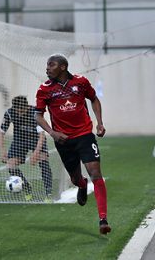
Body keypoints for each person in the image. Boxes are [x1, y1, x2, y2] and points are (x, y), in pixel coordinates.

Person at [35, 54, 111, 234]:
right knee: (76, 178)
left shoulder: (81, 82)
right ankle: (82, 185)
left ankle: (103, 220)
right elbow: (38, 115)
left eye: (51, 65)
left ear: (62, 67)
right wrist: (52, 133)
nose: (47, 68)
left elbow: (94, 99)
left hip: (85, 135)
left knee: (96, 173)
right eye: (47, 64)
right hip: (63, 140)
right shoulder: (44, 89)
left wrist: (99, 123)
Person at [0, 95, 53, 202]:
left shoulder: (35, 113)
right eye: (17, 111)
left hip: (35, 139)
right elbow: (1, 133)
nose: (19, 114)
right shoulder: (10, 113)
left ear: (27, 107)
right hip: (19, 140)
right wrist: (3, 151)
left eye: (21, 111)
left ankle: (48, 192)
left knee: (43, 160)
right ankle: (27, 187)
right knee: (11, 165)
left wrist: (36, 153)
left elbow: (42, 135)